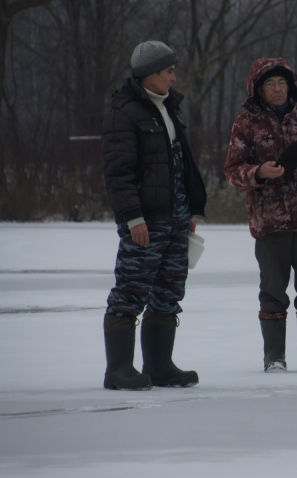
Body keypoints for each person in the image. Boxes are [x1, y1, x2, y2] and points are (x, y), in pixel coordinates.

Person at [224, 57, 297, 373]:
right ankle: (274, 357)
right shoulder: (245, 123)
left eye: (281, 83)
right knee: (273, 291)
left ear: (290, 85)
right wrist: (259, 171)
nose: (277, 89)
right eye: (270, 84)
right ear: (258, 89)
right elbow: (233, 172)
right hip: (270, 219)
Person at [101, 40, 207, 390]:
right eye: (168, 72)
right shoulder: (124, 111)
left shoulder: (169, 108)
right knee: (130, 290)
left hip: (175, 218)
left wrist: (188, 209)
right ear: (149, 75)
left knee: (168, 291)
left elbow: (178, 165)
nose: (173, 78)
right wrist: (133, 218)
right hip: (145, 221)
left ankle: (159, 366)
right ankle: (118, 370)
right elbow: (119, 172)